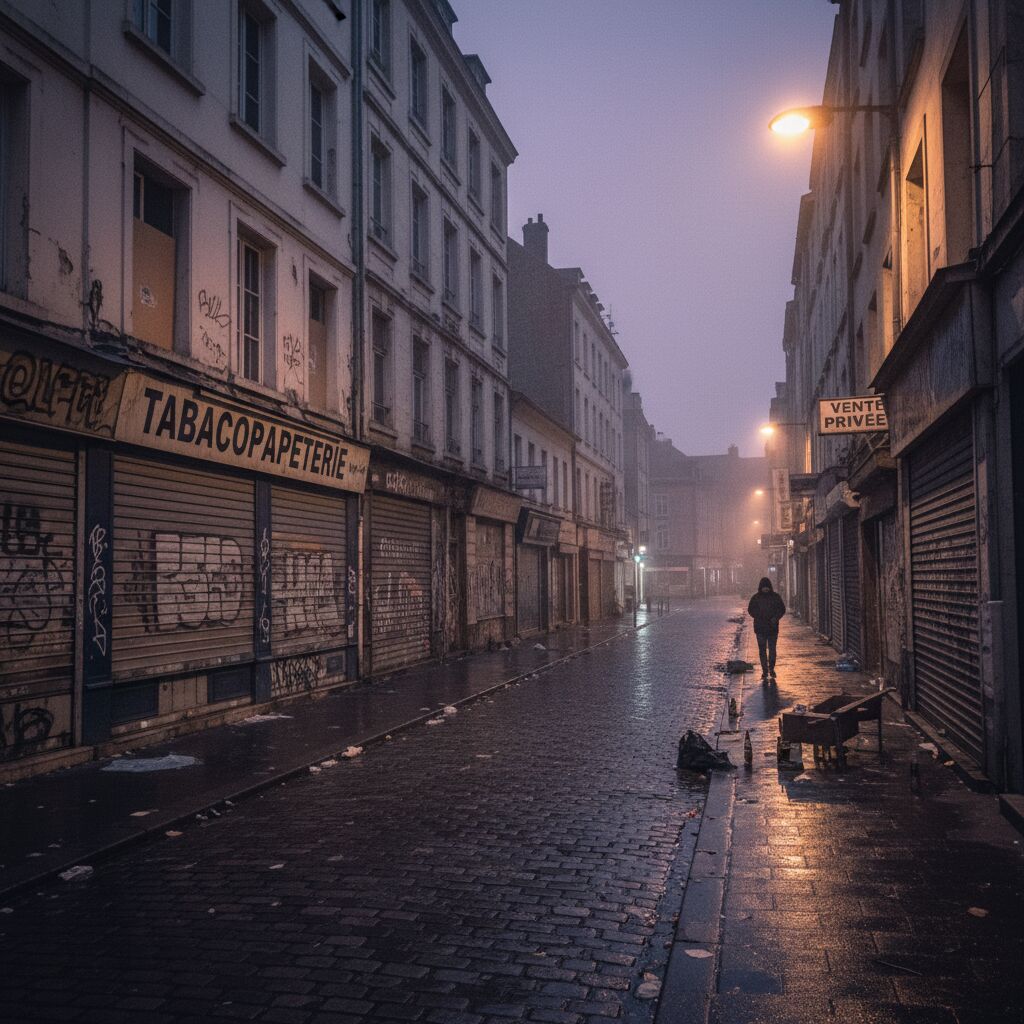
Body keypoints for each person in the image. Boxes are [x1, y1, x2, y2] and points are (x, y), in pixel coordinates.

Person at [747, 576, 786, 681]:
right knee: (762, 650)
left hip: (772, 628)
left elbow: (782, 609)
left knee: (772, 650)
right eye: (764, 587)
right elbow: (750, 610)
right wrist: (758, 616)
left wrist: (775, 618)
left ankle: (771, 669)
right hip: (760, 628)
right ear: (761, 587)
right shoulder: (756, 598)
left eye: (767, 587)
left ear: (770, 587)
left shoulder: (775, 597)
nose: (765, 589)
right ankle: (765, 671)